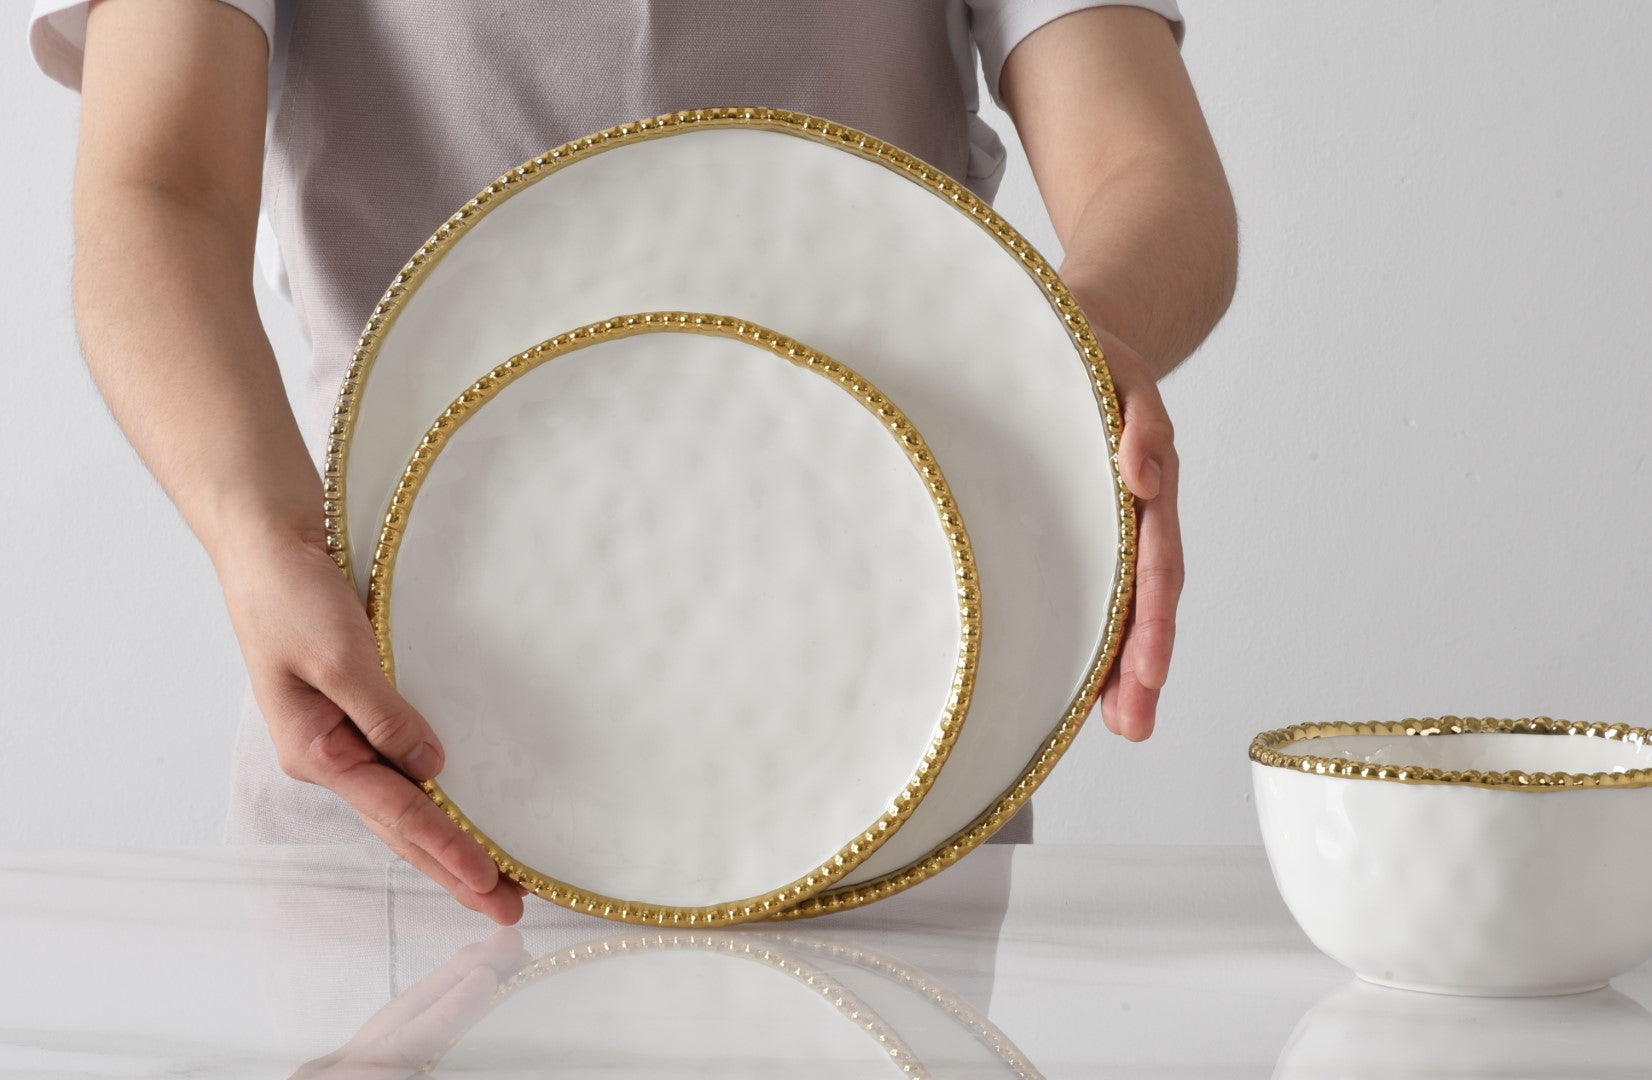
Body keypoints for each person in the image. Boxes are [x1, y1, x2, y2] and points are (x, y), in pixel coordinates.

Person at [30, 0, 1236, 927]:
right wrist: (264, 539)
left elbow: (1146, 171)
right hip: (389, 747)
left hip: (892, 747)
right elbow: (155, 188)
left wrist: (1064, 362)